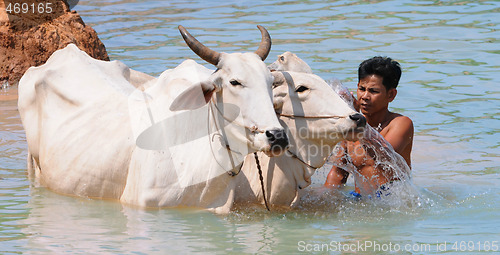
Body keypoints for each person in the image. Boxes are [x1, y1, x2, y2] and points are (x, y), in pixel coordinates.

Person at [324, 56, 414, 196]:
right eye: (361, 88)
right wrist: (322, 199)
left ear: (391, 95)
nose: (365, 96)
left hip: (391, 201)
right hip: (360, 200)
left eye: (373, 91)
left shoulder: (401, 123)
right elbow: (338, 173)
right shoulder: (351, 127)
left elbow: (382, 156)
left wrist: (354, 115)